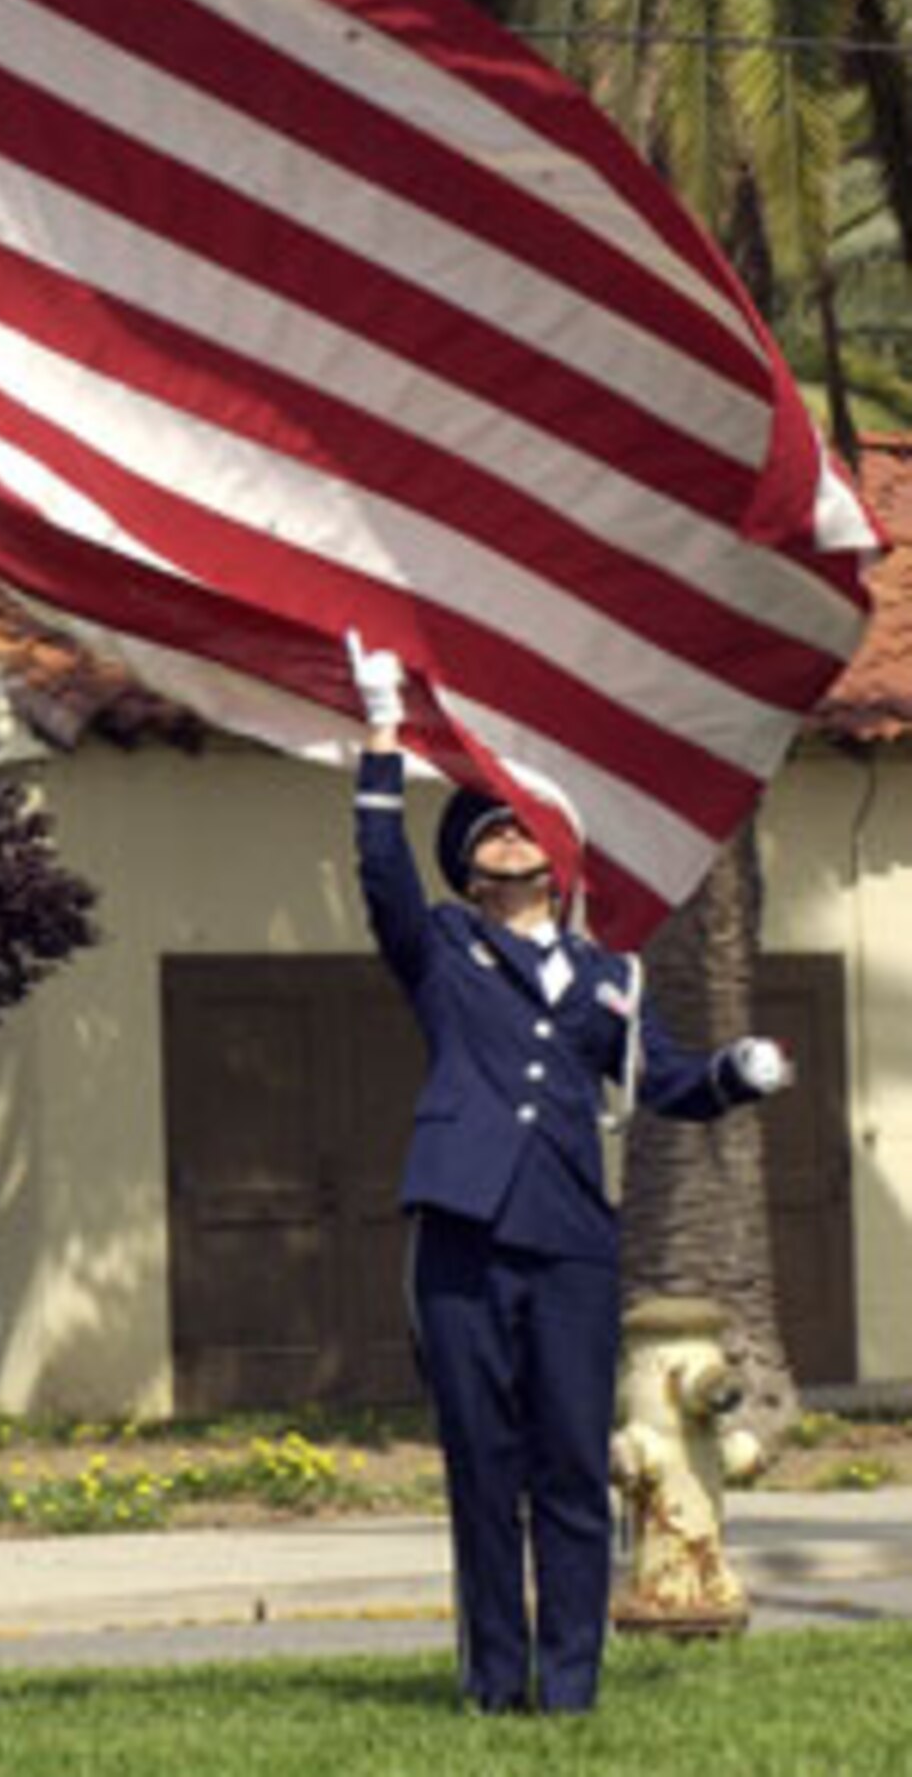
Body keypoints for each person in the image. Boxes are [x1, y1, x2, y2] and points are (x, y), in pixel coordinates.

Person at [344, 631, 791, 1716]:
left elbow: (669, 1080)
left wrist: (734, 1072)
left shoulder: (611, 981)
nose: (504, 843)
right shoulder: (444, 950)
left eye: (521, 829)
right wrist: (378, 737)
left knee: (569, 1470)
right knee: (481, 1467)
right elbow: (381, 879)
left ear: (556, 858)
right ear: (466, 862)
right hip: (459, 1228)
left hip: (568, 1243)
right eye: (486, 832)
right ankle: (494, 1686)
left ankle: (569, 1689)